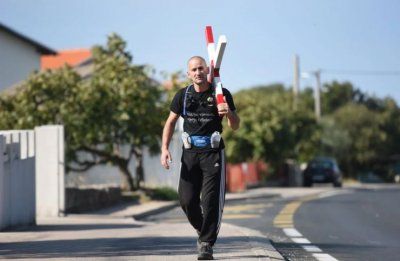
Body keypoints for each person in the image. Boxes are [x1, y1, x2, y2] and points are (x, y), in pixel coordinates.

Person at [160, 56, 240, 260]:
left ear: (208, 70)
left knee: (210, 199)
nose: (197, 72)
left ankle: (206, 243)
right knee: (186, 200)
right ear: (188, 74)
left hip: (213, 153)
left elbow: (235, 125)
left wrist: (228, 112)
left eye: (201, 69)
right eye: (193, 69)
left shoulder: (221, 93)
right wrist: (164, 148)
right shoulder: (183, 95)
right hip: (190, 153)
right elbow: (170, 122)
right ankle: (202, 229)